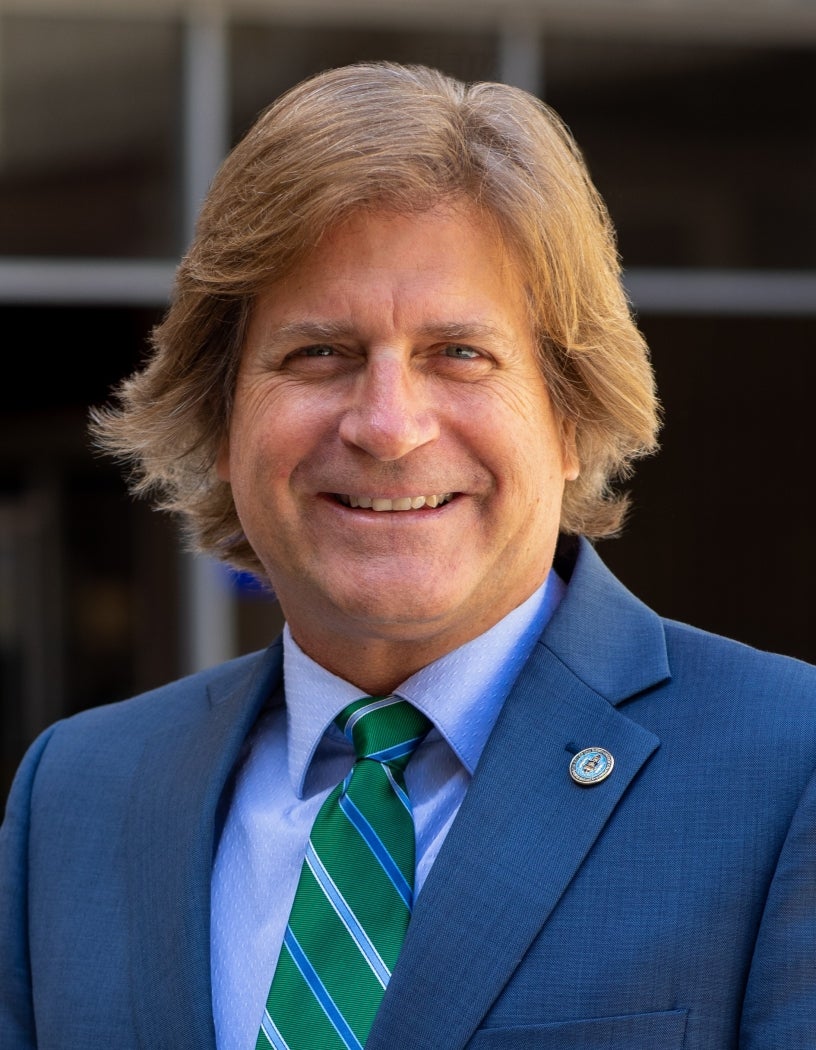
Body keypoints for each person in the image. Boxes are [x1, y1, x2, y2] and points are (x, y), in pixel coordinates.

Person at [1, 60, 814, 1050]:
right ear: (221, 418)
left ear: (569, 416)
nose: (388, 427)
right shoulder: (77, 796)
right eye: (320, 354)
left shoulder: (786, 771)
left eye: (458, 354)